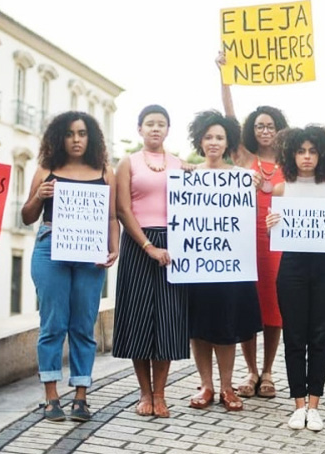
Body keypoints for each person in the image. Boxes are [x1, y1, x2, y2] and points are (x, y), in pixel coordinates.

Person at [22, 111, 119, 422]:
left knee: (83, 325)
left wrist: (113, 247)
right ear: (59, 138)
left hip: (90, 253)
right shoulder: (46, 169)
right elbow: (26, 216)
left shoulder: (104, 171)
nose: (76, 139)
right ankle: (51, 396)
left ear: (90, 137)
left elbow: (111, 217)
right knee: (52, 324)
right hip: (50, 248)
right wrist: (38, 195)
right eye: (69, 134)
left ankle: (80, 396)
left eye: (82, 133)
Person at [266, 126, 325, 431]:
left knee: (319, 336)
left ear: (322, 153)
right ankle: (298, 404)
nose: (306, 157)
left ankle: (314, 405)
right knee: (294, 336)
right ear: (291, 154)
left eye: (312, 151)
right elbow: (275, 235)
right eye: (301, 151)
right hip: (292, 268)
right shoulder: (281, 189)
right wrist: (270, 225)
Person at [216, 51, 288, 399]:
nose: (264, 130)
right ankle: (250, 371)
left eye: (270, 126)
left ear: (280, 130)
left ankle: (270, 371)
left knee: (274, 307)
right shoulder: (244, 158)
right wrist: (224, 76)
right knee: (248, 304)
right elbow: (228, 118)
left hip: (277, 242)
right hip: (245, 242)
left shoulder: (291, 162)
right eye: (259, 125)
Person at [113, 105, 191, 418]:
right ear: (140, 129)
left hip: (174, 247)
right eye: (149, 124)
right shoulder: (127, 163)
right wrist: (147, 246)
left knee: (168, 321)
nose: (155, 129)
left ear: (168, 130)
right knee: (139, 319)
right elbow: (122, 210)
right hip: (138, 244)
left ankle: (160, 394)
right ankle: (144, 393)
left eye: (161, 124)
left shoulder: (181, 165)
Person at [186, 110, 263, 412]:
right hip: (198, 263)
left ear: (228, 140)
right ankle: (206, 385)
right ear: (200, 141)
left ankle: (227, 387)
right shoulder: (188, 174)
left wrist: (253, 189)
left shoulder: (242, 177)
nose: (214, 142)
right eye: (208, 137)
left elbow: (247, 220)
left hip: (231, 265)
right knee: (199, 327)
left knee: (226, 326)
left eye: (219, 137)